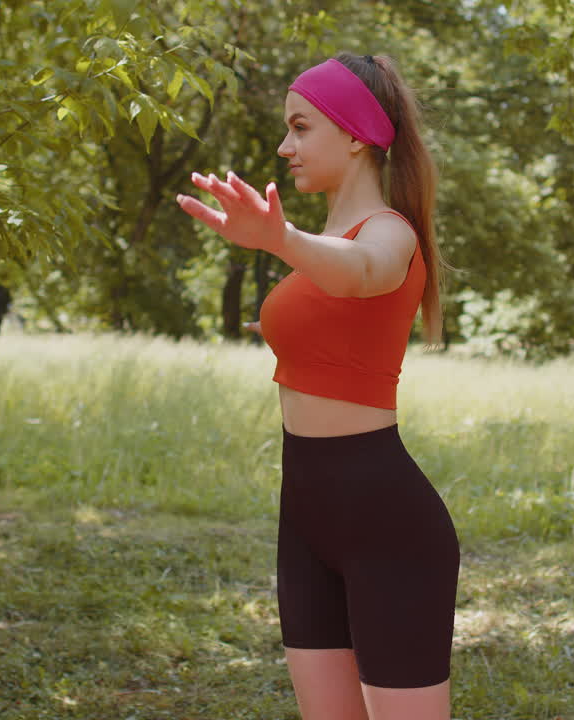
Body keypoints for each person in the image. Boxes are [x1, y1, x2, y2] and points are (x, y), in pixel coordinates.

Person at [176, 52, 459, 720]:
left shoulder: (388, 232)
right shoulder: (323, 243)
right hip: (304, 517)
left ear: (358, 134)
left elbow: (362, 272)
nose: (285, 146)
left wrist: (280, 239)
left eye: (301, 127)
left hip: (387, 525)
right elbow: (333, 306)